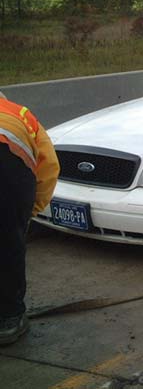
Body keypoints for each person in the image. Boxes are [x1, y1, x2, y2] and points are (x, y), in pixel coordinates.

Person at [0, 91, 59, 346]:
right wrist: (29, 212)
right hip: (8, 167)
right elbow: (49, 168)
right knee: (7, 243)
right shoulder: (19, 114)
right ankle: (10, 319)